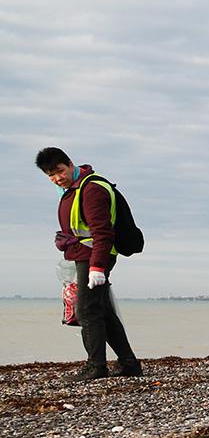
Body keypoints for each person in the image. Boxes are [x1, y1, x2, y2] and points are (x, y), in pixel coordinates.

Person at [36, 147, 142, 381]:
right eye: (50, 175)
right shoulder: (71, 190)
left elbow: (102, 233)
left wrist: (97, 267)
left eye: (60, 171)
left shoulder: (91, 189)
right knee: (101, 310)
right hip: (83, 256)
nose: (57, 178)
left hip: (94, 255)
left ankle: (96, 366)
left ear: (70, 164)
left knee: (86, 311)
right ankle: (129, 364)